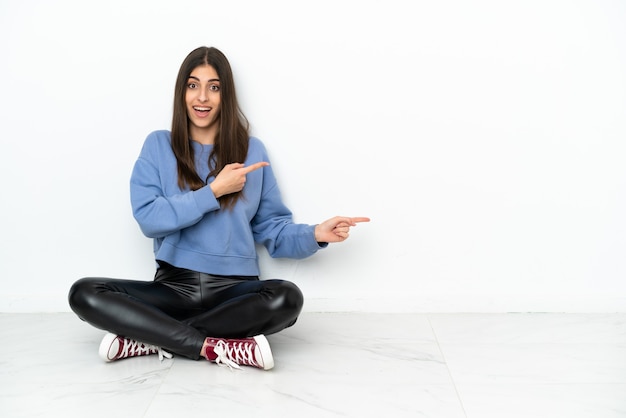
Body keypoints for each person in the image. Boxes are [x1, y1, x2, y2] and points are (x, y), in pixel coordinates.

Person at [68, 46, 369, 371]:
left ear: (226, 95)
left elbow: (273, 231)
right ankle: (219, 345)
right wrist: (213, 191)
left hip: (235, 291)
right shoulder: (158, 145)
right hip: (172, 287)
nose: (203, 97)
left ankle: (152, 338)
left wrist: (316, 234)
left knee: (287, 298)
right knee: (84, 292)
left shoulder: (252, 151)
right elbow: (149, 219)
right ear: (181, 91)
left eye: (214, 87)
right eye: (193, 85)